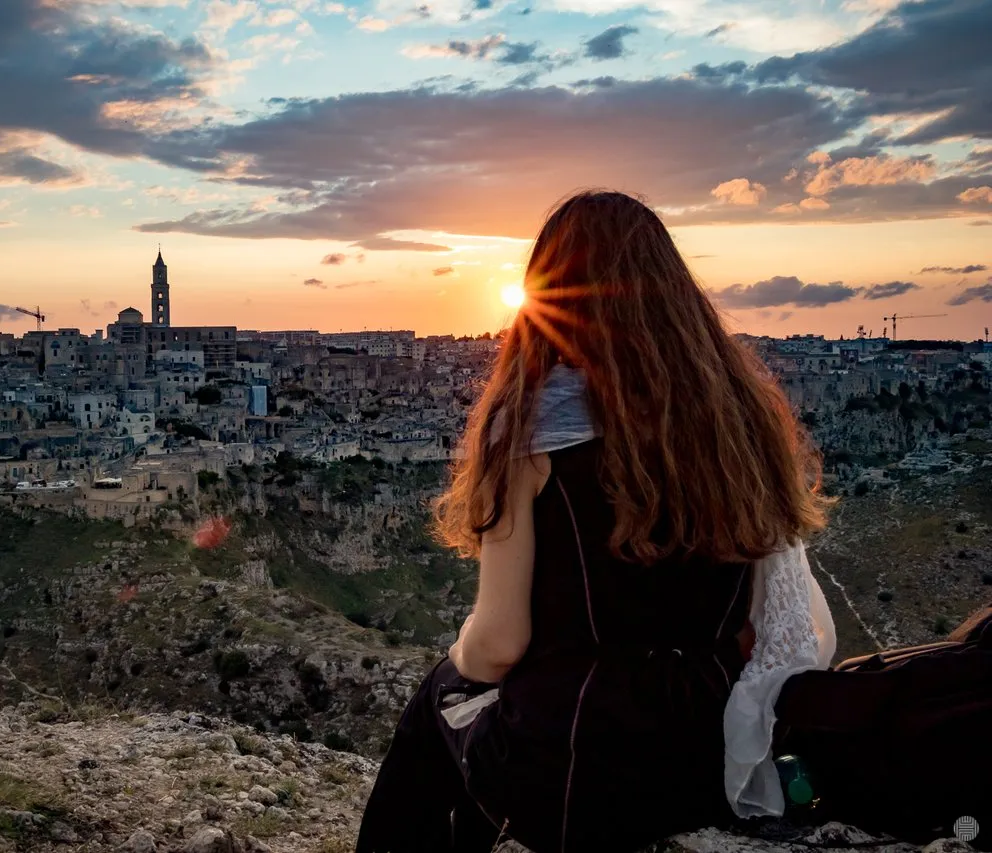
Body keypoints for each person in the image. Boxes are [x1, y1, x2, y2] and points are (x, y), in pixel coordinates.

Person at [356, 190, 837, 853]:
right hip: (708, 754)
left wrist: (454, 665)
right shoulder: (741, 423)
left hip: (579, 756)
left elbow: (498, 643)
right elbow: (793, 618)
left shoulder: (534, 425)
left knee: (443, 702)